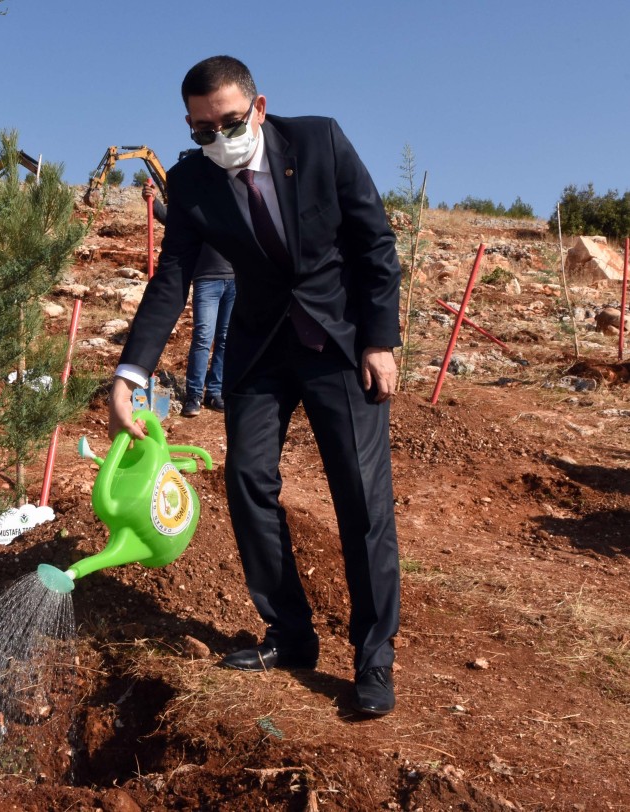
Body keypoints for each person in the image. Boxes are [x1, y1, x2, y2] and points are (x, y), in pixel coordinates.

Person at [109, 56, 402, 716]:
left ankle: (373, 657)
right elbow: (170, 280)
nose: (219, 139)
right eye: (202, 131)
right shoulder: (189, 183)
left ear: (259, 108)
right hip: (261, 348)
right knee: (246, 481)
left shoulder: (320, 141)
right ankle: (290, 635)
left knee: (359, 497)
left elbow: (374, 243)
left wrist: (381, 341)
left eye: (231, 123)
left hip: (340, 340)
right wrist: (131, 373)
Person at [142, 181, 235, 416]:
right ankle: (194, 395)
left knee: (225, 339)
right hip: (207, 279)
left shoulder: (234, 206)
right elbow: (174, 222)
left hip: (234, 280)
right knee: (203, 337)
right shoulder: (198, 209)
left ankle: (214, 392)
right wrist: (154, 203)